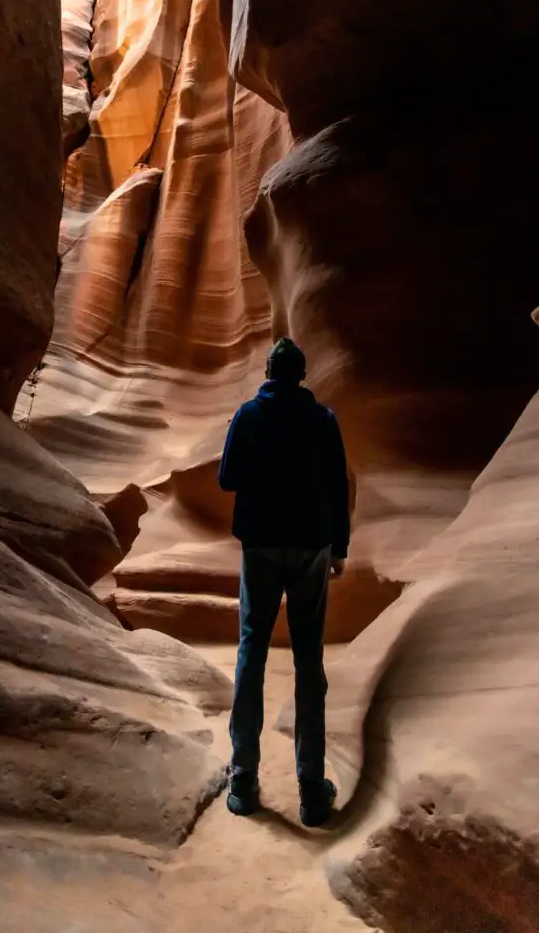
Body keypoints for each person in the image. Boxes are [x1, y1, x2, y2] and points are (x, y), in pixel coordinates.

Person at [218, 337, 350, 827]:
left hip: (261, 543)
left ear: (270, 371)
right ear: (302, 374)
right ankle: (312, 790)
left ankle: (243, 778)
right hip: (312, 544)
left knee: (251, 648)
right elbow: (340, 483)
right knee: (308, 656)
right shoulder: (323, 420)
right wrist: (340, 547)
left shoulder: (249, 415)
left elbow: (228, 478)